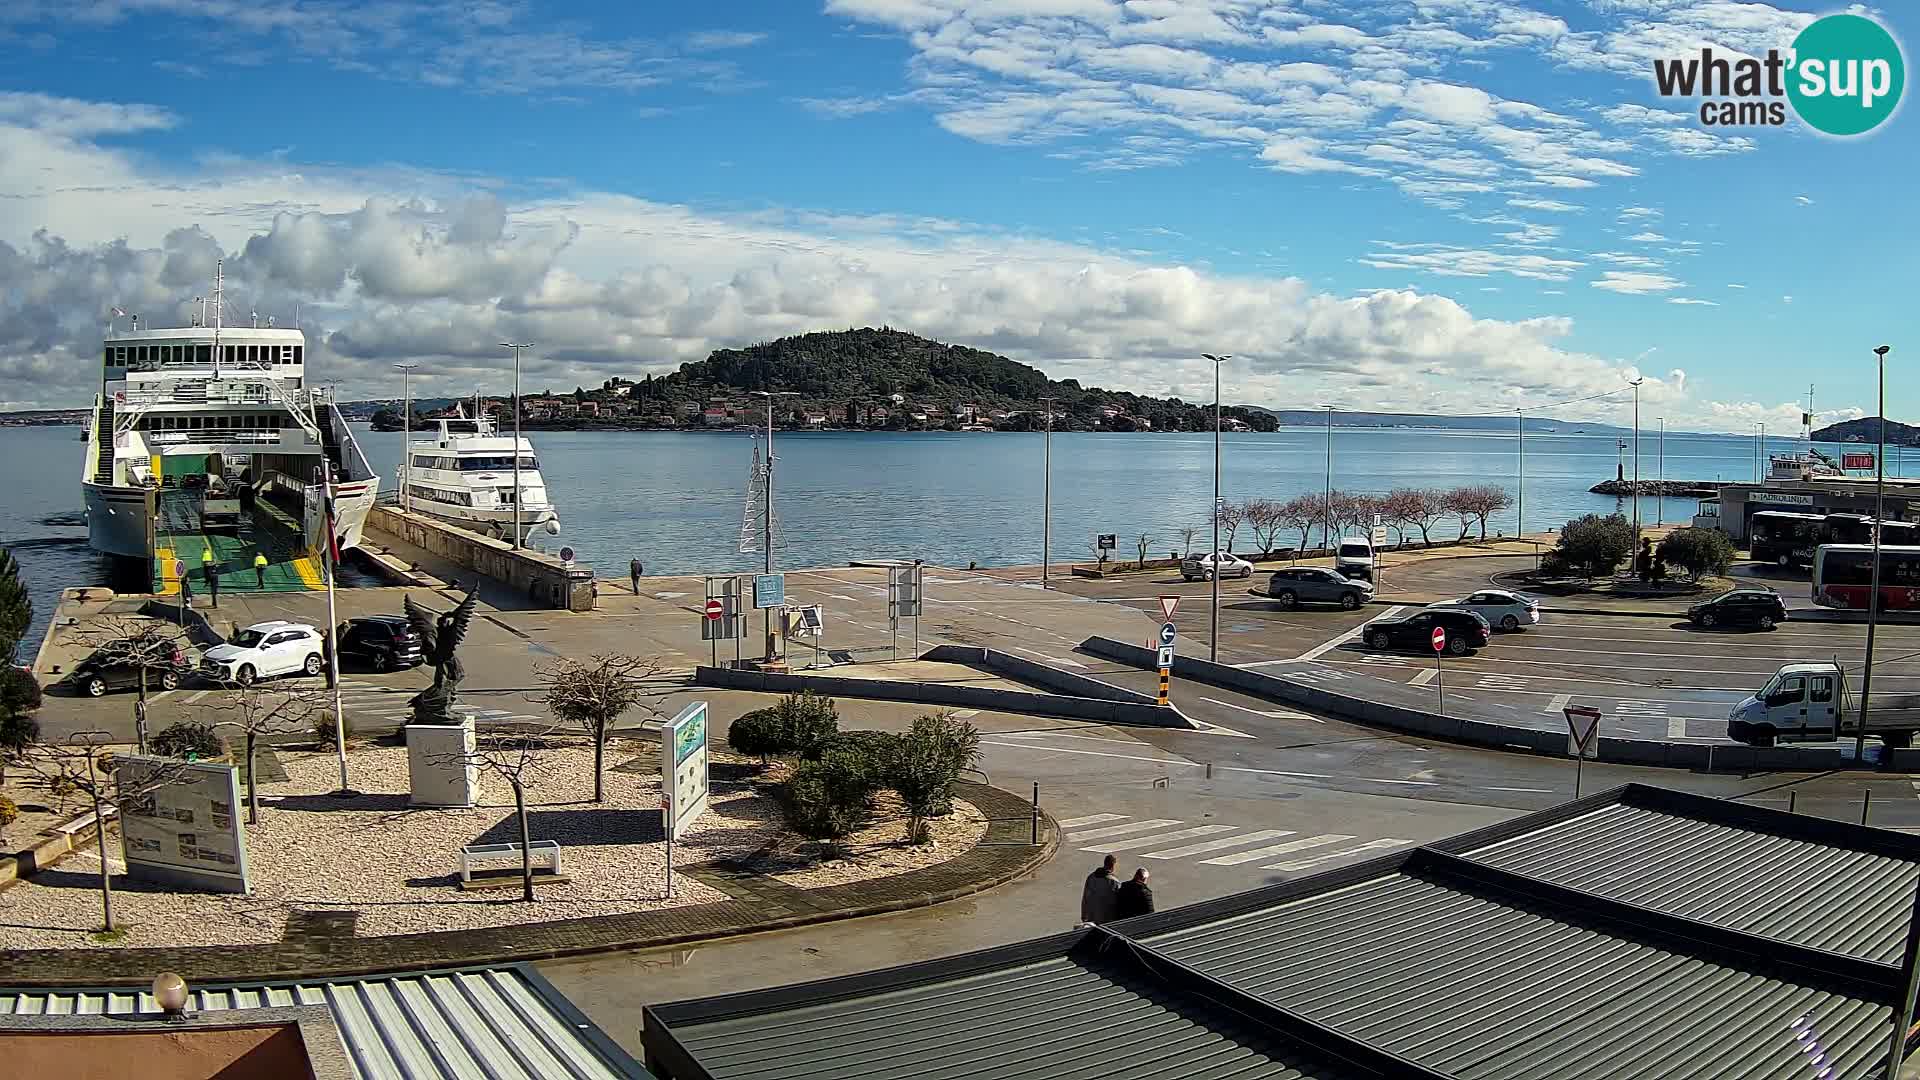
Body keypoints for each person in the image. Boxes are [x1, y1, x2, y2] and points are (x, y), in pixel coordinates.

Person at [1080, 854, 1120, 924]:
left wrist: (1084, 915)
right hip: (1107, 917)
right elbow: (1117, 901)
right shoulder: (1114, 881)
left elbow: (1085, 897)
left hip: (1092, 916)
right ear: (1113, 866)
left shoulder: (1091, 877)